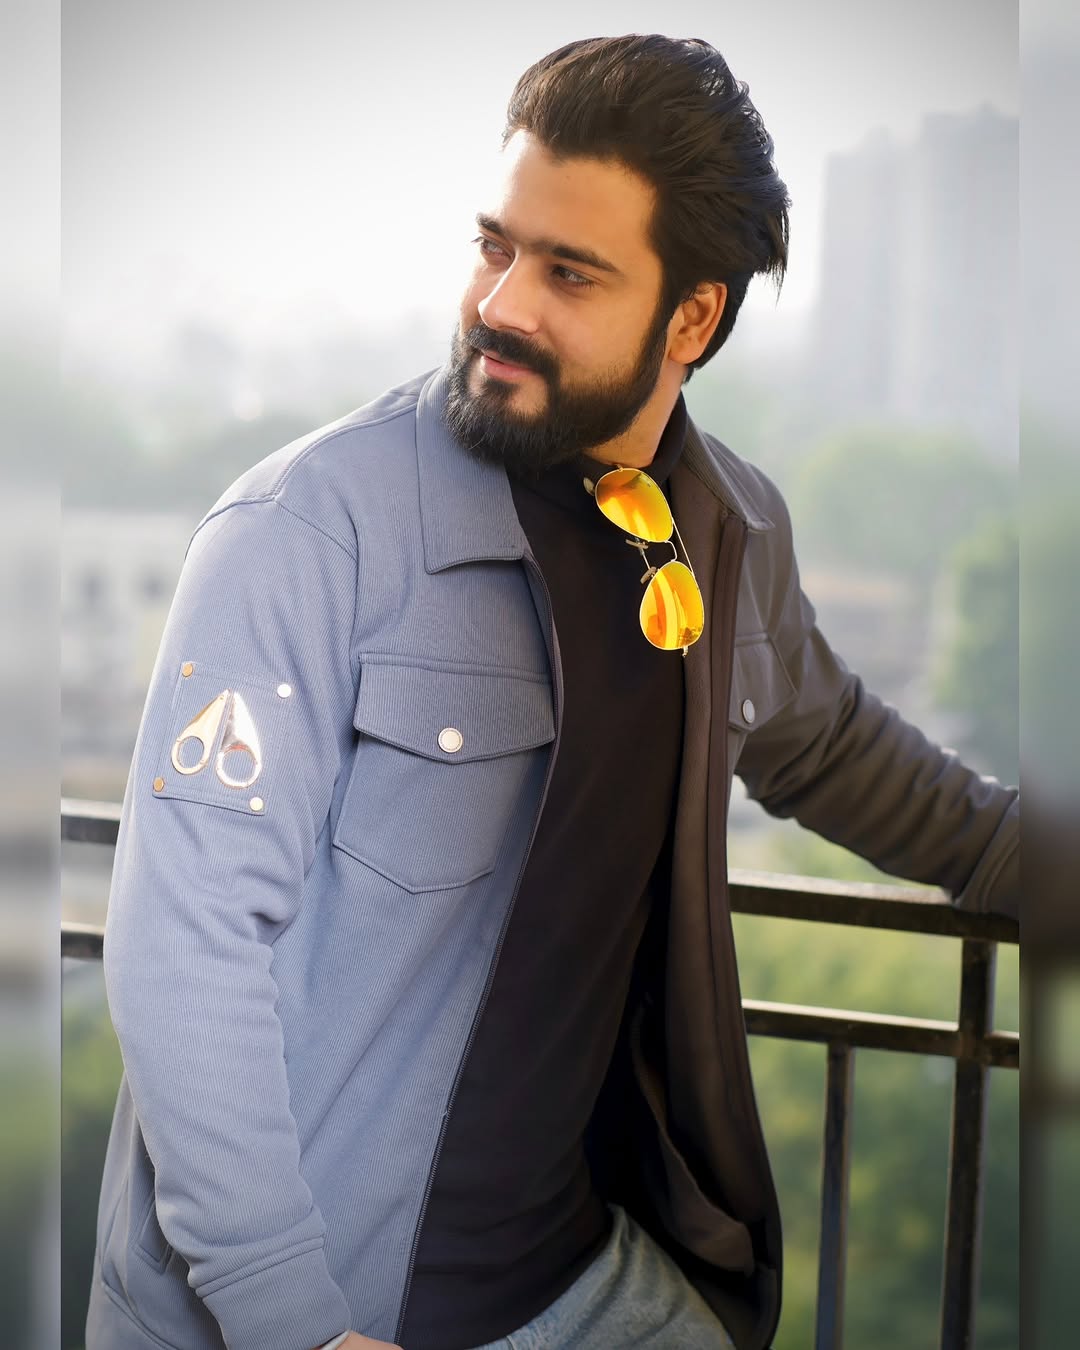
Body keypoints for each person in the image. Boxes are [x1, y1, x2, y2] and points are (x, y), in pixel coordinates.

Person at [86, 33, 1018, 1350]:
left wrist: (1033, 863)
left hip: (573, 1277)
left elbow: (838, 749)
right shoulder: (307, 528)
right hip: (314, 1306)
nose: (503, 303)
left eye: (569, 271)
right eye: (495, 246)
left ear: (691, 319)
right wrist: (293, 1320)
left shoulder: (728, 532)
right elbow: (184, 944)